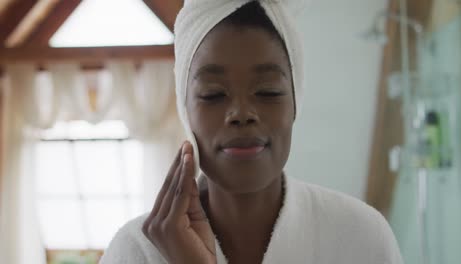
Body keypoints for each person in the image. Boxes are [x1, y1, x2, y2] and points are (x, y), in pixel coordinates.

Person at [100, 1, 403, 263]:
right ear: (185, 110)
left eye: (268, 91)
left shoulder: (360, 236)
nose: (242, 113)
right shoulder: (135, 252)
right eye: (213, 94)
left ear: (295, 102)